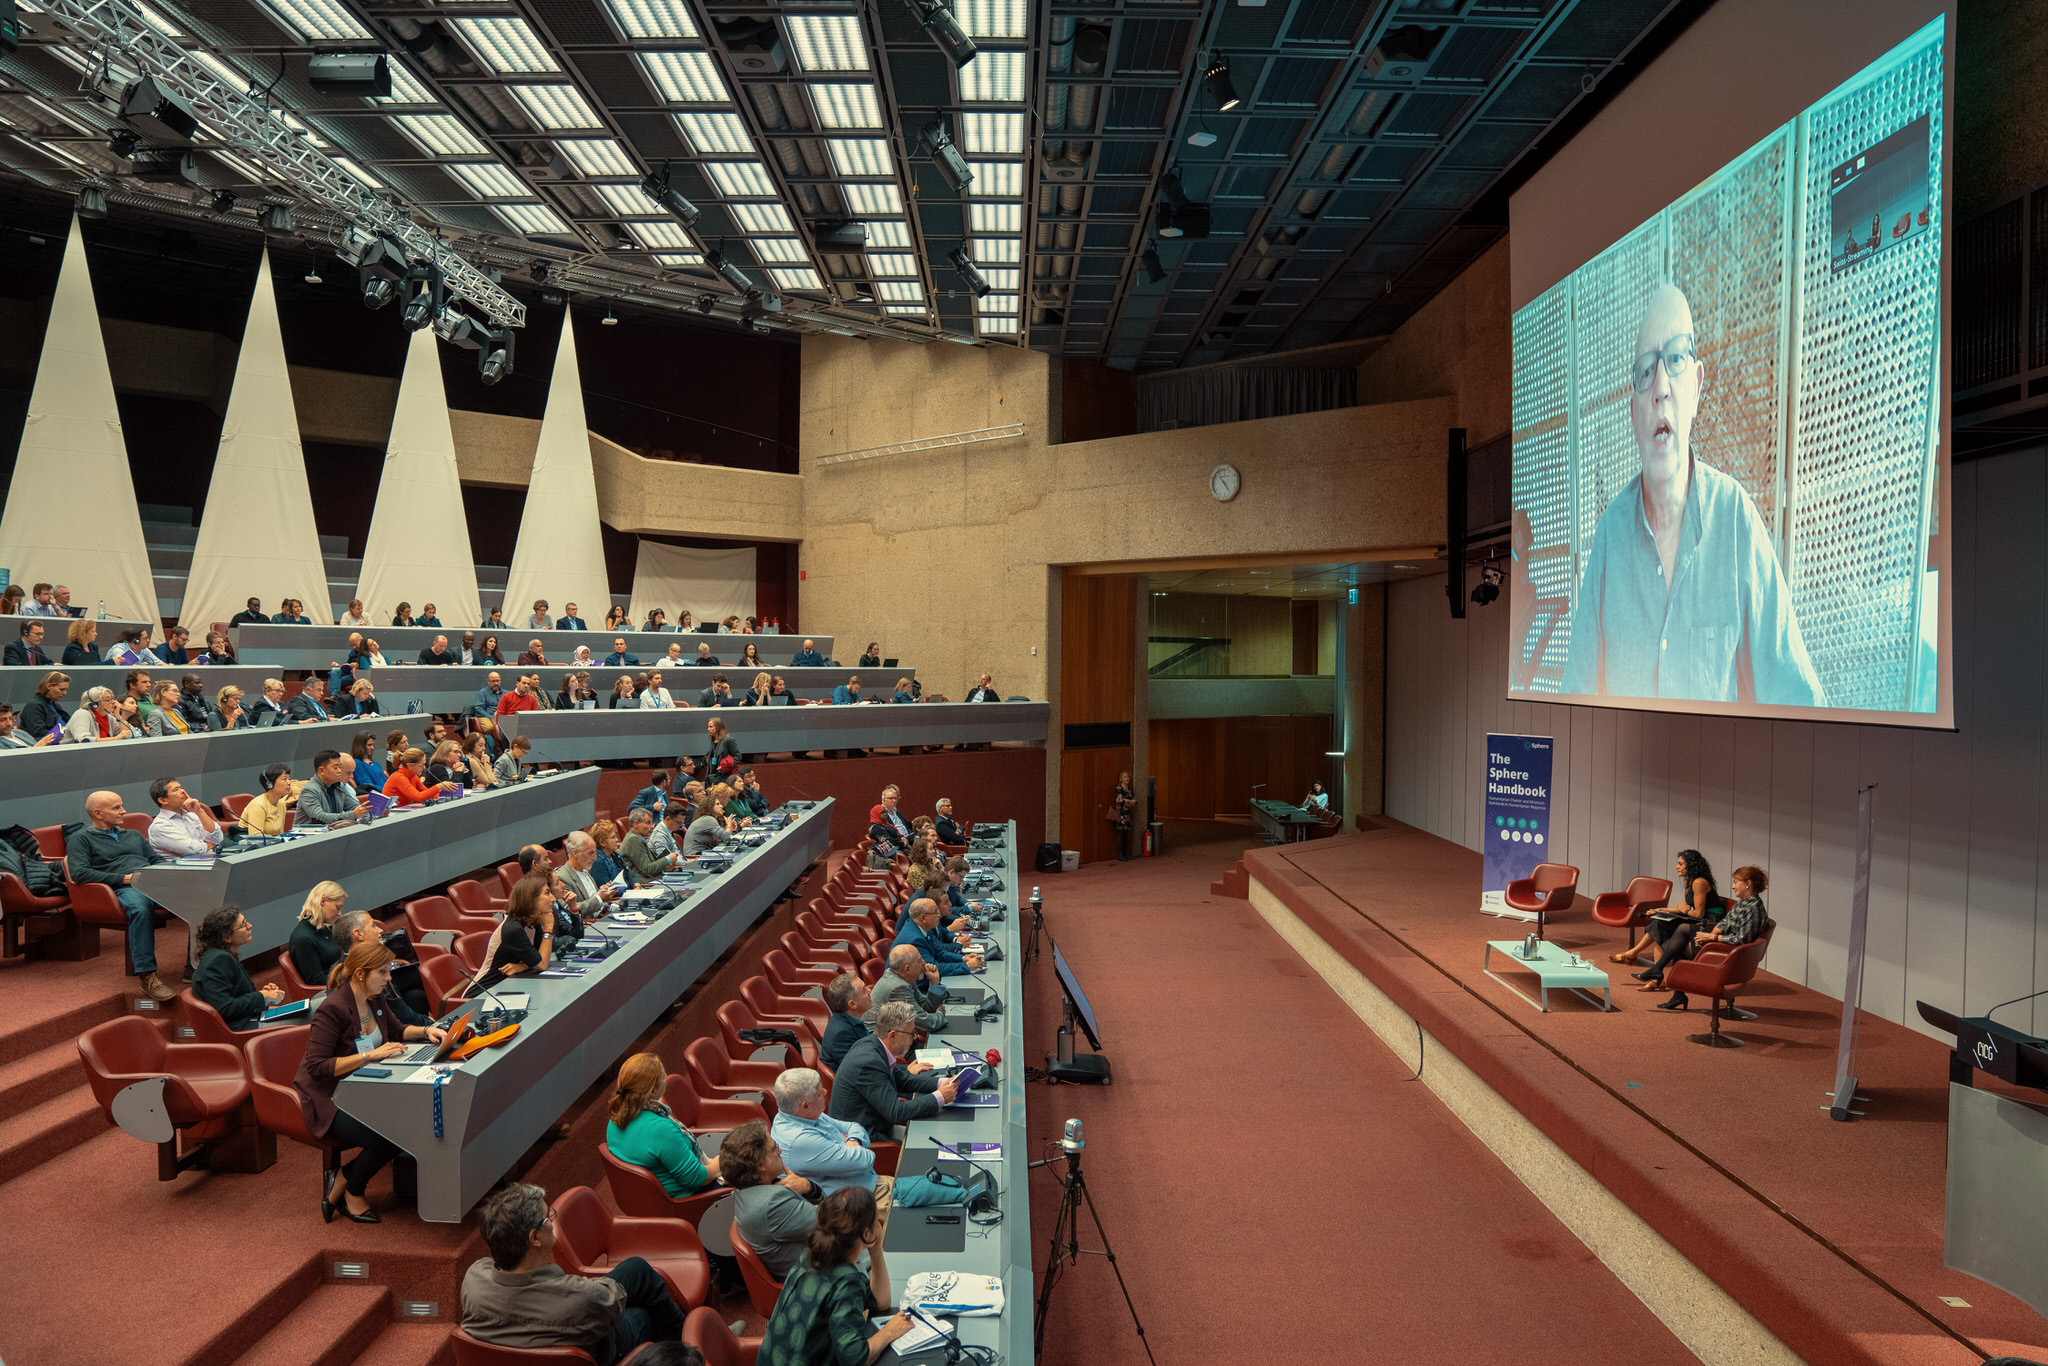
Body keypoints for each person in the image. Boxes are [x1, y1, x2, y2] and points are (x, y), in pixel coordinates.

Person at [1561, 282, 1823, 706]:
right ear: (1633, 412)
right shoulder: (1610, 534)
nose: (1660, 386)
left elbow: (1797, 698)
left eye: (1676, 359)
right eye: (1646, 371)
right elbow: (1576, 695)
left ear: (1698, 387)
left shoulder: (1736, 518)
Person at [297, 941, 446, 1222]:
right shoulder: (333, 1009)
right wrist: (370, 1055)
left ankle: (344, 1178)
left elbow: (398, 1030)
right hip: (331, 1097)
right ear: (361, 974)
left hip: (366, 1088)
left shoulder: (374, 998)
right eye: (383, 972)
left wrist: (428, 1031)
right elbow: (317, 1067)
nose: (389, 978)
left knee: (409, 1121)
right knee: (391, 1132)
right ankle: (353, 1191)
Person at [461, 1181, 685, 1363]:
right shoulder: (581, 1297)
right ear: (535, 1238)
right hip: (600, 1350)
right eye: (548, 1216)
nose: (552, 1220)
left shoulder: (473, 1279)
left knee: (636, 1269)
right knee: (642, 1312)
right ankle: (686, 1347)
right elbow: (610, 1303)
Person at [756, 1186, 910, 1366]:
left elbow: (881, 1302)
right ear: (866, 1233)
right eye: (876, 1219)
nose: (880, 1223)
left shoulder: (812, 1254)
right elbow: (855, 1357)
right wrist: (889, 1332)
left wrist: (876, 1250)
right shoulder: (846, 1282)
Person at [721, 1120, 856, 1285]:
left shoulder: (746, 1191)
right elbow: (836, 1220)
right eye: (774, 1148)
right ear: (761, 1165)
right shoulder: (773, 1203)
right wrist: (809, 1185)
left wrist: (808, 1189)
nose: (780, 1150)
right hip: (823, 1280)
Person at [69, 791, 176, 999]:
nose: (124, 811)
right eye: (116, 807)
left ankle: (196, 966)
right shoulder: (81, 839)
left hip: (153, 883)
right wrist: (125, 879)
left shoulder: (133, 835)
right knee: (139, 907)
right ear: (98, 813)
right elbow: (80, 873)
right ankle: (147, 976)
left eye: (121, 806)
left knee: (201, 897)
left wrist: (165, 873)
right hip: (123, 887)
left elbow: (156, 859)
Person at [828, 1001, 955, 1143]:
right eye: (911, 1034)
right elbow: (896, 1112)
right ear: (893, 1034)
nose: (913, 1039)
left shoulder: (872, 1044)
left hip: (878, 1125)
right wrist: (940, 1097)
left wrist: (942, 1082)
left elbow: (904, 1080)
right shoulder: (868, 1062)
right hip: (864, 1139)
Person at [1650, 866, 1772, 1009]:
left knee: (1680, 948)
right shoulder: (1745, 902)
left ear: (1748, 884)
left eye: (1735, 882)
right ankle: (1666, 980)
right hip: (1726, 945)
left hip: (1732, 953)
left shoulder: (1753, 909)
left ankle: (1664, 978)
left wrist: (1713, 939)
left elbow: (1741, 940)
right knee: (1683, 930)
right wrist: (1712, 934)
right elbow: (1726, 921)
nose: (1733, 887)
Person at [605, 1053, 721, 1197]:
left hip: (649, 1198)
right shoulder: (660, 1129)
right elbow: (694, 1178)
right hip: (690, 1199)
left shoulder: (615, 1119)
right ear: (652, 1090)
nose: (666, 1075)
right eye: (662, 1076)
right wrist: (719, 1165)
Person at [1613, 848, 1723, 966]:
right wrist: (1660, 911)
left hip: (1711, 920)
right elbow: (1682, 907)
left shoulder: (1699, 883)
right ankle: (1642, 961)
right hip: (1698, 917)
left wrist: (1684, 911)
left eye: (1680, 864)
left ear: (1691, 865)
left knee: (1661, 926)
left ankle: (1634, 955)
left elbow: (1698, 914)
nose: (1677, 867)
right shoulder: (1688, 881)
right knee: (1659, 922)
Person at [192, 905, 285, 1030]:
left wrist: (264, 994)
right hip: (241, 1028)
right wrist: (262, 996)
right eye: (243, 925)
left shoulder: (223, 956)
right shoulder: (218, 961)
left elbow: (236, 996)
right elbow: (224, 1008)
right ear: (226, 937)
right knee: (313, 1017)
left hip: (247, 1019)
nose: (250, 926)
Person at [471, 875, 556, 990]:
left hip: (508, 985)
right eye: (547, 893)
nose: (553, 898)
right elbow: (542, 964)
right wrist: (548, 929)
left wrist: (523, 966)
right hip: (484, 992)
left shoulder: (532, 922)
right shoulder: (513, 929)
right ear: (530, 898)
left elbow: (539, 957)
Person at [865, 945, 948, 1034]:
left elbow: (925, 1007)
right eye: (919, 960)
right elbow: (926, 1023)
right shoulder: (898, 987)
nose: (924, 962)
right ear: (907, 968)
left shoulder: (902, 975)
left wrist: (934, 982)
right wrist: (940, 1014)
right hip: (878, 1038)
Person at [893, 898, 981, 978]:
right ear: (923, 917)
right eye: (935, 912)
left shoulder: (921, 927)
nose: (939, 915)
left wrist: (962, 959)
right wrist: (966, 966)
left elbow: (938, 953)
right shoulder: (914, 940)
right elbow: (933, 968)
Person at [289, 881, 350, 985]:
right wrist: (350, 976)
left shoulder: (323, 927)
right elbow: (317, 981)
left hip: (336, 978)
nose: (340, 913)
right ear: (323, 901)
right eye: (337, 907)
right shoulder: (303, 938)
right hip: (327, 991)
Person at [147, 776, 224, 857]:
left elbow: (218, 838)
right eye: (176, 789)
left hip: (210, 859)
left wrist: (199, 811)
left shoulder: (191, 815)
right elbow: (195, 851)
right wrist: (213, 845)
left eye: (181, 788)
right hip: (185, 867)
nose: (183, 791)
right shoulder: (159, 826)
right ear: (163, 800)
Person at [300, 750, 372, 826]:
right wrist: (353, 814)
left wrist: (368, 812)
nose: (339, 771)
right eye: (335, 768)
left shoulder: (338, 786)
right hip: (310, 835)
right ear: (321, 771)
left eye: (340, 767)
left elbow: (354, 807)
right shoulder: (309, 790)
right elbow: (319, 817)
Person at [819, 972, 872, 1071]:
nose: (869, 991)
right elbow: (862, 1071)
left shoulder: (850, 1019)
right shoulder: (842, 1034)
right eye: (864, 990)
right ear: (852, 1004)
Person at [240, 763, 297, 836]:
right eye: (284, 779)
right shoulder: (258, 805)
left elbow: (280, 833)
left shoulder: (281, 804)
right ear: (270, 784)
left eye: (289, 779)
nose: (289, 783)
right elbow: (255, 837)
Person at [385, 748, 455, 805]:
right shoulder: (399, 777)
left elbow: (428, 794)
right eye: (422, 765)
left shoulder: (413, 776)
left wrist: (446, 796)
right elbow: (418, 797)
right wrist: (438, 786)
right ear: (410, 766)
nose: (424, 768)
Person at [61, 686, 131, 743]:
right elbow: (85, 740)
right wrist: (116, 738)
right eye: (108, 700)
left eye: (112, 699)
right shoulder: (82, 714)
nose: (113, 702)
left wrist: (118, 716)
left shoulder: (108, 717)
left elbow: (128, 735)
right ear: (94, 704)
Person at [620, 808, 674, 881]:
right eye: (648, 823)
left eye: (651, 823)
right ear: (636, 824)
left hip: (654, 881)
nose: (652, 826)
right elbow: (647, 870)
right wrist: (668, 859)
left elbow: (649, 865)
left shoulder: (638, 838)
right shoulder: (633, 839)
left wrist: (664, 867)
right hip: (645, 885)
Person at [21, 671, 71, 737]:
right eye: (61, 689)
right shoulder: (33, 706)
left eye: (66, 689)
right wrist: (61, 736)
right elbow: (38, 733)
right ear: (49, 686)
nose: (65, 693)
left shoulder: (56, 706)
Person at [683, 793, 730, 858]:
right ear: (709, 807)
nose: (721, 806)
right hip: (695, 857)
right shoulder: (708, 819)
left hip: (703, 853)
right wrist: (729, 825)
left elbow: (721, 838)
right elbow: (726, 837)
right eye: (717, 804)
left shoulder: (707, 819)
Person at [1110, 770, 1137, 861]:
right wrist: (1128, 801)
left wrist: (1127, 801)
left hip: (1128, 815)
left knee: (1126, 834)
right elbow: (1120, 801)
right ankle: (1120, 854)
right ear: (1121, 779)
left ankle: (1126, 853)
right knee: (1120, 834)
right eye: (1125, 777)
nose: (1127, 779)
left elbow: (1134, 802)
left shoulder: (1130, 790)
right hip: (1121, 814)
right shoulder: (1119, 789)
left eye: (1128, 777)